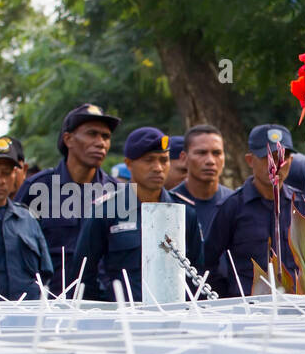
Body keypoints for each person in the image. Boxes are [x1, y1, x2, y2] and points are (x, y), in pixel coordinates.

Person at [75, 127, 202, 302]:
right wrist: (107, 307)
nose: (158, 168)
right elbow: (83, 274)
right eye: (148, 160)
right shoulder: (106, 211)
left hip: (175, 316)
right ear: (128, 163)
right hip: (123, 318)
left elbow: (198, 272)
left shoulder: (183, 212)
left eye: (163, 160)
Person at [16, 102, 122, 291]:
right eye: (92, 134)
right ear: (68, 139)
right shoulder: (37, 188)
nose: (101, 143)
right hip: (50, 307)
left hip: (104, 309)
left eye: (106, 136)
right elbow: (17, 251)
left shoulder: (119, 195)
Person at [203, 123, 299, 298]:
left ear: (291, 161)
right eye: (267, 158)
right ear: (249, 160)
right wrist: (228, 295)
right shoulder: (232, 207)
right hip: (247, 310)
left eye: (281, 158)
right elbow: (208, 261)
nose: (275, 165)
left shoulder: (302, 206)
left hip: (298, 307)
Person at [0, 137, 53, 301]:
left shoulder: (27, 219)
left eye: (7, 173)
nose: (0, 180)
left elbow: (45, 275)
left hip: (27, 320)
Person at [170, 124, 233, 239]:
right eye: (201, 153)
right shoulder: (170, 205)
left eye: (217, 153)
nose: (210, 161)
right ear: (184, 158)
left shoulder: (234, 203)